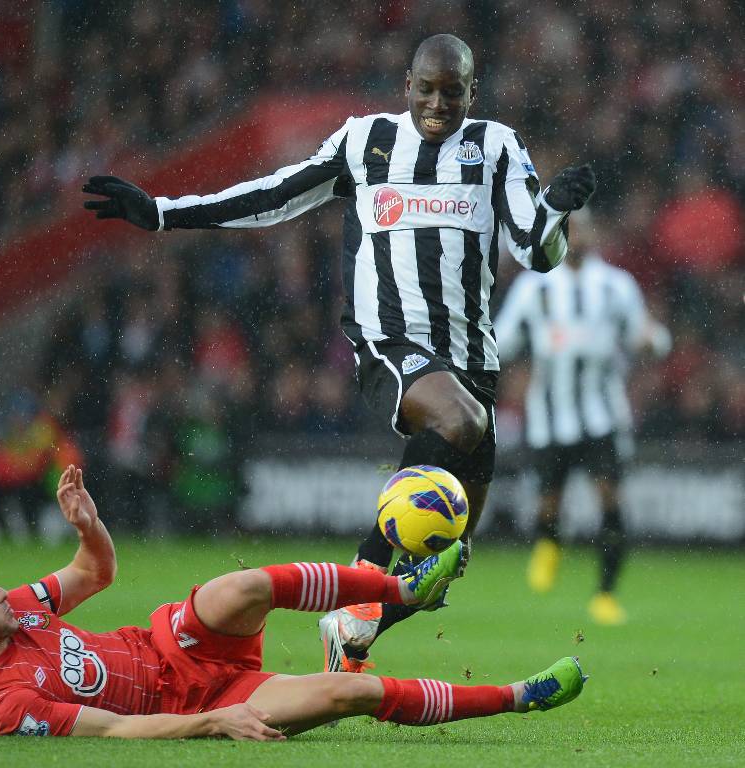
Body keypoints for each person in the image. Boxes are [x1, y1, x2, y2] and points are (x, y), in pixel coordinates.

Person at [82, 33, 596, 671]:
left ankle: (352, 634)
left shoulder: (495, 147)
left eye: (452, 92)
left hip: (472, 363)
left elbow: (534, 250)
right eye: (427, 89)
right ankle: (361, 580)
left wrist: (555, 212)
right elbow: (275, 196)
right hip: (390, 343)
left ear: (473, 92)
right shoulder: (365, 142)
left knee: (448, 555)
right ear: (406, 85)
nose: (438, 103)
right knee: (459, 421)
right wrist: (163, 213)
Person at [0, 465, 586, 739]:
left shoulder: (22, 609)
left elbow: (94, 572)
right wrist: (217, 722)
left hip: (173, 643)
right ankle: (517, 696)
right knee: (349, 695)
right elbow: (113, 731)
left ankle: (399, 588)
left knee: (243, 586)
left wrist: (88, 526)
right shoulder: (0, 704)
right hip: (198, 703)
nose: (4, 593)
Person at [494, 211, 671, 625]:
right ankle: (548, 543)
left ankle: (606, 594)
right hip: (548, 416)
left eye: (584, 229)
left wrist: (655, 342)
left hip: (602, 415)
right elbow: (502, 343)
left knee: (611, 499)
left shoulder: (615, 286)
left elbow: (649, 337)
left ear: (595, 234)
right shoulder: (534, 287)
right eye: (568, 231)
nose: (577, 238)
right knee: (549, 503)